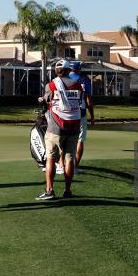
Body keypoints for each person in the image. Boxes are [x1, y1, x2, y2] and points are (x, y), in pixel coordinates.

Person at [36, 59, 84, 200]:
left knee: (51, 158)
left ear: (56, 71)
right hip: (74, 126)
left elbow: (46, 101)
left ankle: (50, 190)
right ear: (69, 70)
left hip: (56, 127)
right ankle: (67, 191)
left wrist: (43, 100)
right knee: (69, 159)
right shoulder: (78, 86)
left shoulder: (51, 85)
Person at [68, 61, 94, 174]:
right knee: (80, 140)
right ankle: (74, 167)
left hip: (66, 114)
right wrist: (92, 116)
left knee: (65, 139)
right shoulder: (84, 80)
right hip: (81, 113)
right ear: (79, 69)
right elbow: (88, 100)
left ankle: (61, 164)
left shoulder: (62, 79)